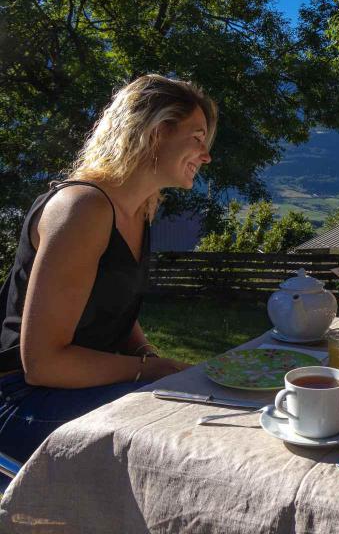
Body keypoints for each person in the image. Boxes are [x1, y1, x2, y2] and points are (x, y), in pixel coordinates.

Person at [0, 74, 217, 463]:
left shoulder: (139, 211)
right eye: (198, 138)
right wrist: (150, 369)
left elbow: (115, 309)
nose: (206, 156)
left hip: (79, 390)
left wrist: (151, 358)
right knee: (185, 437)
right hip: (21, 399)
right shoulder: (84, 208)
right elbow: (43, 364)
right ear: (155, 132)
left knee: (209, 412)